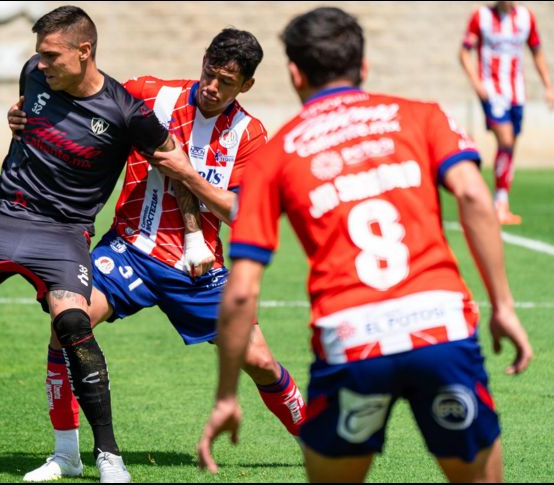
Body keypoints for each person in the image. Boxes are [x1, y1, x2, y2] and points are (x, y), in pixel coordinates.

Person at [198, 6, 533, 483]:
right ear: (364, 66)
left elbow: (240, 291)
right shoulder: (423, 115)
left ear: (295, 74)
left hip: (353, 339)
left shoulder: (276, 154)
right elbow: (475, 196)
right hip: (439, 327)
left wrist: (227, 395)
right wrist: (503, 306)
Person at [8, 29, 307, 483]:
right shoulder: (150, 94)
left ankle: (313, 439)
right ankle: (66, 453)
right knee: (68, 323)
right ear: (202, 60)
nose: (212, 87)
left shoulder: (249, 134)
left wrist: (190, 175)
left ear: (246, 85)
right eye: (209, 73)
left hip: (197, 269)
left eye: (226, 82)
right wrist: (28, 115)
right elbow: (83, 100)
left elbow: (241, 213)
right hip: (129, 249)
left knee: (261, 362)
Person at [0, 6, 197, 483]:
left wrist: (193, 234)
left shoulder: (127, 112)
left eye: (52, 56)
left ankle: (108, 454)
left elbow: (177, 163)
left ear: (84, 51)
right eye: (39, 55)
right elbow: (26, 117)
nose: (41, 64)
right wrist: (14, 119)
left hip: (63, 230)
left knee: (72, 322)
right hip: (1, 214)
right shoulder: (33, 73)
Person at [459, 1, 554, 224]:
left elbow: (537, 52)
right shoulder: (481, 16)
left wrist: (548, 86)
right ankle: (496, 204)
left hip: (516, 93)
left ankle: (501, 201)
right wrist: (476, 82)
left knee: (510, 146)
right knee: (506, 139)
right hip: (492, 91)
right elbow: (464, 52)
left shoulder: (526, 17)